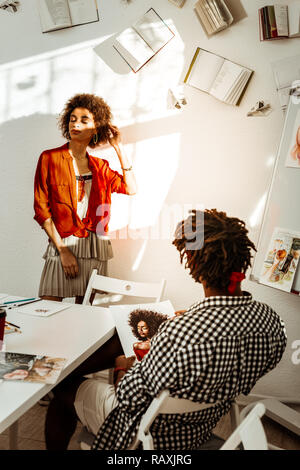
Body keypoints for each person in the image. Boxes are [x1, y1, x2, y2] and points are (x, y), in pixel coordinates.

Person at [44, 209, 287, 450]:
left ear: (194, 266)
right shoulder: (270, 323)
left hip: (145, 433)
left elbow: (128, 397)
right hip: (201, 425)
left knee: (63, 385)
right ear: (242, 259)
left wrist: (122, 365)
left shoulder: (180, 333)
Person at [34, 93, 137, 304]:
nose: (76, 124)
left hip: (94, 245)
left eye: (84, 120)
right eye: (72, 119)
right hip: (62, 241)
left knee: (84, 313)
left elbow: (131, 188)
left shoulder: (100, 167)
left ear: (96, 127)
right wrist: (62, 250)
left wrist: (118, 147)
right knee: (47, 308)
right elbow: (41, 210)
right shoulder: (50, 158)